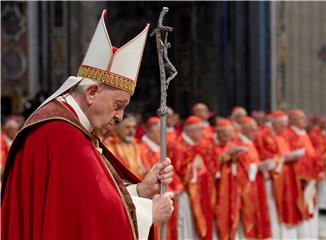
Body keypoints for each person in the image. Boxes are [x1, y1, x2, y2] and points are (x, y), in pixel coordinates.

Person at [1, 10, 174, 239]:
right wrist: (147, 213)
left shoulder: (69, 128)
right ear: (92, 92)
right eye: (117, 104)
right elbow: (89, 218)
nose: (120, 116)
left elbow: (80, 209)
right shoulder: (61, 134)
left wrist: (140, 192)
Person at [168, 116, 212, 239]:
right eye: (200, 130)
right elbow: (179, 171)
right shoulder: (179, 146)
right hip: (185, 193)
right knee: (186, 226)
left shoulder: (194, 144)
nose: (203, 133)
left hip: (198, 192)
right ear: (191, 131)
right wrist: (194, 166)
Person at [282, 109, 320, 239]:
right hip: (298, 179)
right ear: (292, 120)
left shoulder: (304, 134)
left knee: (310, 206)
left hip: (311, 178)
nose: (304, 120)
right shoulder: (288, 134)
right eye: (300, 118)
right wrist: (303, 176)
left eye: (304, 118)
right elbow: (290, 155)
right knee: (300, 208)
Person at [233, 117, 271, 239]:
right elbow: (237, 169)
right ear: (244, 130)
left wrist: (262, 166)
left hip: (256, 183)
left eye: (256, 130)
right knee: (247, 216)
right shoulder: (238, 144)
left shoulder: (250, 143)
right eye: (252, 130)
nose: (255, 133)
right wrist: (257, 167)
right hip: (245, 187)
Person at [104, 113, 147, 178]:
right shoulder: (109, 145)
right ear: (117, 127)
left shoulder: (139, 145)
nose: (131, 131)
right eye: (127, 127)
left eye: (134, 127)